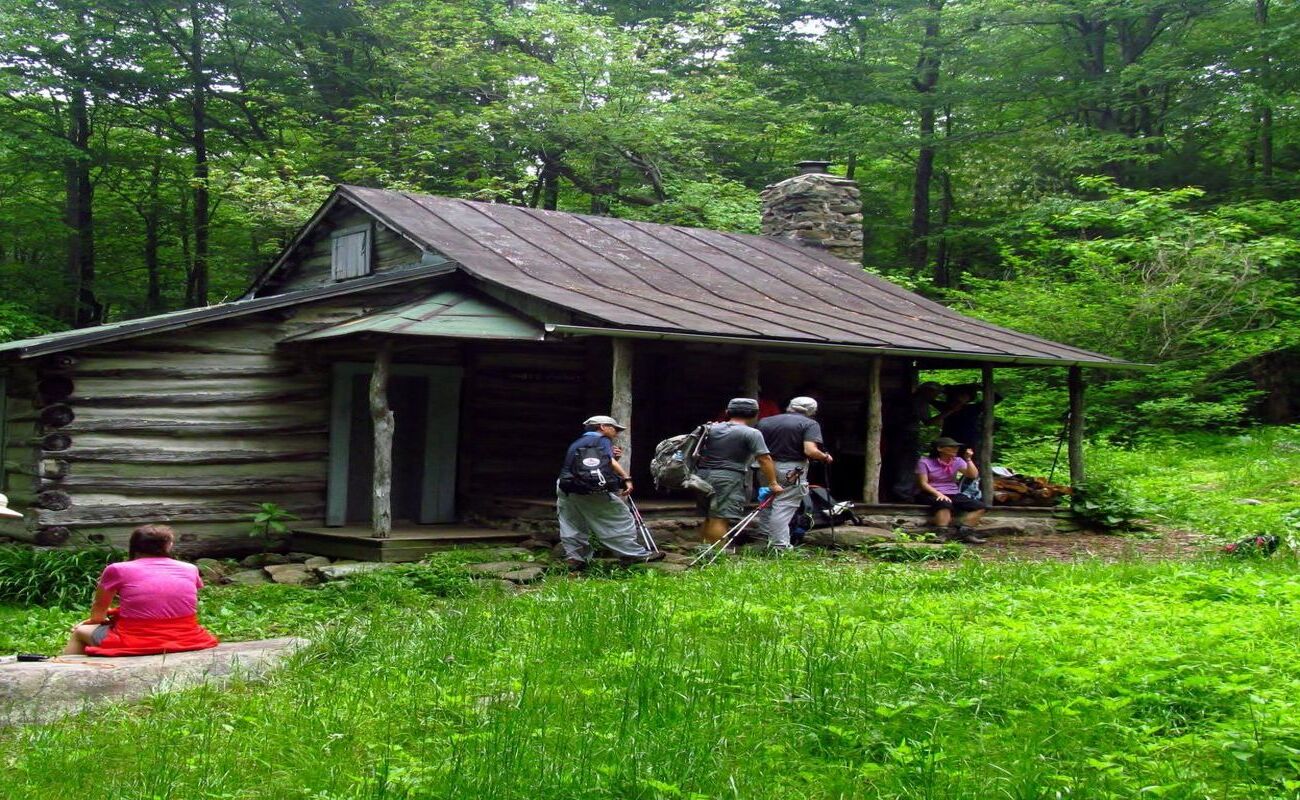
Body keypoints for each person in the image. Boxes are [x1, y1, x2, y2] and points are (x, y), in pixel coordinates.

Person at [64, 524, 220, 657]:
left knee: (80, 632)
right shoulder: (190, 568)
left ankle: (65, 673)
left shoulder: (117, 569)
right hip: (187, 636)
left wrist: (95, 621)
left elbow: (99, 609)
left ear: (134, 546)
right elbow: (175, 601)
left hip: (136, 639)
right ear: (168, 546)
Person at [556, 415, 665, 573]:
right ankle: (632, 554)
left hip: (564, 485)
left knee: (572, 522)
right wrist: (627, 478)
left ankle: (575, 558)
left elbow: (591, 465)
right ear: (602, 427)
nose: (617, 432)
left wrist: (614, 458)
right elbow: (608, 461)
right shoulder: (602, 440)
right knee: (619, 516)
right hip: (587, 488)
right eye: (615, 428)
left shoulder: (578, 442)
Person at [696, 398, 783, 543]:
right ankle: (716, 555)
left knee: (709, 516)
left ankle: (704, 550)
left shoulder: (710, 428)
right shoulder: (751, 433)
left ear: (727, 412)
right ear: (755, 414)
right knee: (720, 517)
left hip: (702, 475)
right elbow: (764, 459)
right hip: (727, 478)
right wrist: (773, 482)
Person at [755, 396, 833, 551]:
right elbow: (809, 450)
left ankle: (764, 538)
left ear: (790, 406)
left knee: (767, 501)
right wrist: (825, 457)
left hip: (764, 466)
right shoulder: (809, 424)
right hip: (791, 469)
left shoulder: (765, 421)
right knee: (784, 505)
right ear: (811, 411)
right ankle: (779, 546)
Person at [915, 437, 987, 544]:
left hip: (952, 492)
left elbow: (972, 475)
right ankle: (941, 533)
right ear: (940, 448)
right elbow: (923, 483)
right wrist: (938, 493)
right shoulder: (925, 462)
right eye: (952, 446)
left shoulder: (957, 461)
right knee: (944, 503)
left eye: (956, 446)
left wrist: (968, 459)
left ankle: (965, 532)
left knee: (980, 506)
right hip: (930, 492)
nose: (956, 449)